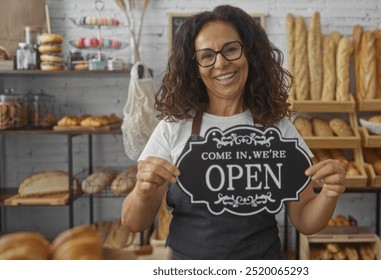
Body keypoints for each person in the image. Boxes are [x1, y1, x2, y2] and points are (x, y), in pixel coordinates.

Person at [121, 4, 346, 260]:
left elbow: (306, 221)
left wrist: (329, 194)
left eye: (230, 49)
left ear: (249, 53)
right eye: (207, 55)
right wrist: (142, 190)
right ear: (194, 67)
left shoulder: (276, 128)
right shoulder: (174, 127)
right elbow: (133, 223)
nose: (221, 63)